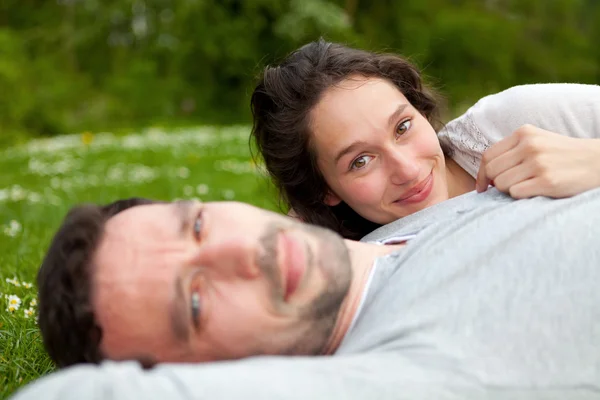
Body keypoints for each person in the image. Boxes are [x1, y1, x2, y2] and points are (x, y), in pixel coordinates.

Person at [12, 185, 600, 399]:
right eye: (194, 303)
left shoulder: (405, 219)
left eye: (197, 225)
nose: (240, 254)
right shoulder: (417, 367)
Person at [250, 38, 600, 239]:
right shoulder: (363, 261)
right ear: (323, 190)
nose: (406, 169)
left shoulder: (513, 121)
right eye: (361, 161)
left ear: (419, 110)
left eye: (402, 127)